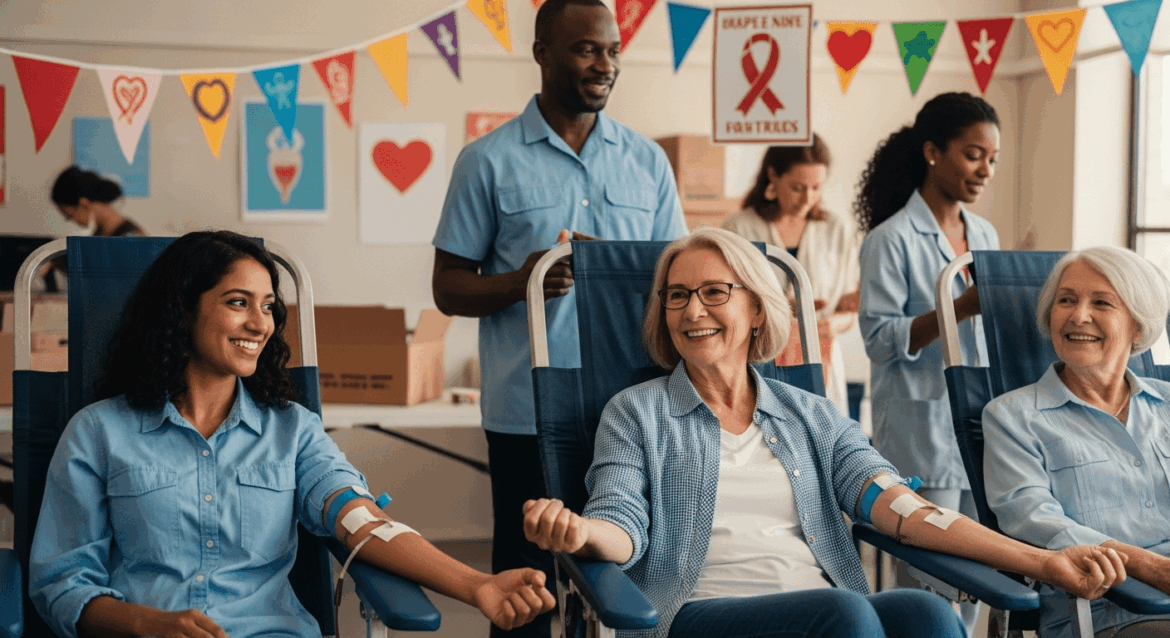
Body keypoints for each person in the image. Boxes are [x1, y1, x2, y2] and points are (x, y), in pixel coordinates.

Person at [522, 227, 1128, 638]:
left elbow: (906, 511)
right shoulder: (636, 414)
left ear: (757, 308)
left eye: (714, 292)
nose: (692, 310)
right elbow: (623, 527)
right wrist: (580, 531)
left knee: (927, 615)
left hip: (825, 610)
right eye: (676, 296)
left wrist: (1044, 562)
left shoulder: (808, 414)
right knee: (846, 615)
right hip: (698, 613)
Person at [29, 231, 555, 638]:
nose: (261, 323)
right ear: (182, 310)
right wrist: (147, 625)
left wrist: (478, 584)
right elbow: (61, 583)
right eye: (239, 302)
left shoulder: (292, 432)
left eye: (268, 306)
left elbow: (362, 522)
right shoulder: (98, 433)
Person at [430, 1, 687, 635]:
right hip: (527, 413)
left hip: (631, 410)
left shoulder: (647, 161)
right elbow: (448, 288)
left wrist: (622, 270)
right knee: (527, 586)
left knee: (626, 569)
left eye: (613, 50)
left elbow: (678, 279)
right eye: (586, 50)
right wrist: (525, 281)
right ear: (542, 52)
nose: (605, 65)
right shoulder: (486, 161)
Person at [855, 91, 1002, 632]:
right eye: (973, 154)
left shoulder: (983, 235)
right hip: (920, 431)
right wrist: (958, 306)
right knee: (927, 590)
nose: (985, 169)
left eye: (992, 158)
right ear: (933, 152)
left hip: (980, 430)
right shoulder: (888, 240)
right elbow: (879, 338)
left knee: (979, 578)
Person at [984, 246, 1170, 638]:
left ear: (1137, 325)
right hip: (1101, 612)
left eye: (1101, 302)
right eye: (1065, 300)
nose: (1077, 315)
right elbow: (1033, 520)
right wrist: (1146, 566)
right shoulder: (1012, 417)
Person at [721, 135, 860, 413]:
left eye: (816, 188)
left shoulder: (836, 229)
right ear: (773, 175)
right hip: (760, 357)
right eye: (797, 188)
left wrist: (832, 324)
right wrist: (773, 309)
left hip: (821, 355)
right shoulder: (739, 228)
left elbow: (849, 307)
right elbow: (725, 301)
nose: (807, 198)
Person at [51, 166, 146, 237]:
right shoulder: (99, 235)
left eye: (71, 216)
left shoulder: (133, 238)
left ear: (84, 203)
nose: (74, 222)